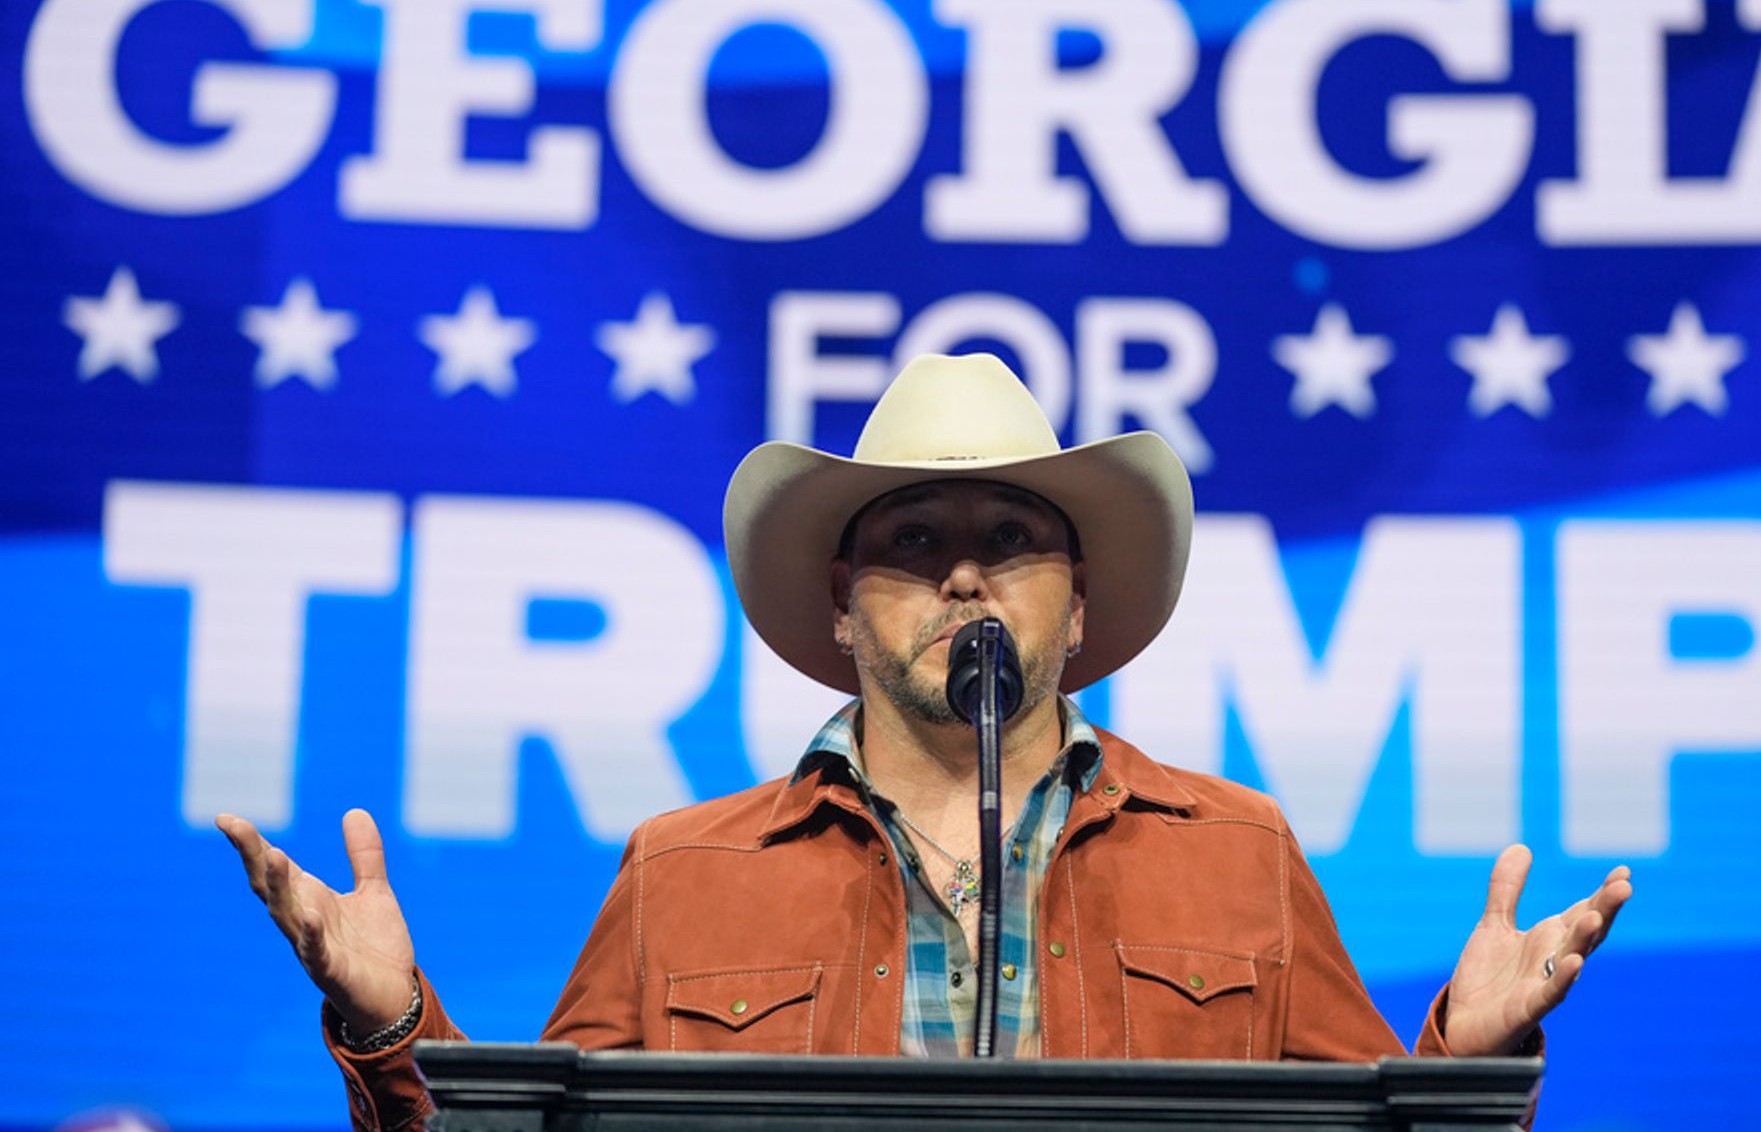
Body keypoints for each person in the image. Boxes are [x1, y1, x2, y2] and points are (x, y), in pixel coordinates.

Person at [219, 353, 1631, 1131]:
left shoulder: (1240, 851)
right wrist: (391, 1022)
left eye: (1012, 540)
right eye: (912, 542)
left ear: (1077, 609)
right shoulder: (680, 869)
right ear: (841, 608)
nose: (965, 577)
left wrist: (1466, 1063)